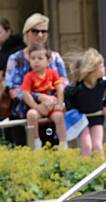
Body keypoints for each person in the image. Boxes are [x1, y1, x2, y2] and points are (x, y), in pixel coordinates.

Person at [5, 12, 67, 146]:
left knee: (53, 152)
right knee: (27, 155)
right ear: (27, 33)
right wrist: (39, 98)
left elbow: (63, 83)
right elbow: (14, 90)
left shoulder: (54, 57)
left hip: (50, 114)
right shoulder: (15, 58)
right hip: (23, 115)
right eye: (35, 31)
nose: (40, 35)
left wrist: (52, 101)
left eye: (43, 31)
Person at [64, 48, 106, 156]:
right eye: (101, 66)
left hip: (96, 116)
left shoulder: (104, 82)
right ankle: (86, 169)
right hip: (82, 118)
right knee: (87, 145)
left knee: (97, 145)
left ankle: (102, 169)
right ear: (92, 69)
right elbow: (67, 95)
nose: (104, 68)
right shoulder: (78, 86)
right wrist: (72, 109)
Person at [20, 44, 67, 149]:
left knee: (59, 117)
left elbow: (60, 88)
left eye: (40, 58)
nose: (36, 61)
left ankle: (63, 143)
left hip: (52, 107)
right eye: (33, 58)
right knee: (31, 115)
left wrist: (59, 103)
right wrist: (36, 107)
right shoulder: (29, 77)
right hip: (38, 107)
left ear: (48, 61)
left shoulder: (53, 73)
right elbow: (25, 93)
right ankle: (36, 142)